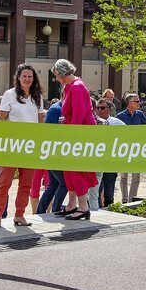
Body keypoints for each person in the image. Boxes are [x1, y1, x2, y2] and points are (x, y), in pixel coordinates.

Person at [0, 63, 44, 228]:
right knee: (4, 182)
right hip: (12, 146)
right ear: (18, 78)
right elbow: (2, 118)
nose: (27, 79)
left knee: (26, 184)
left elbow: (40, 120)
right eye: (24, 76)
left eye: (30, 76)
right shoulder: (9, 94)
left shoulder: (38, 97)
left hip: (29, 147)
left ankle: (19, 214)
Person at [51, 59, 98, 220]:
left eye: (56, 75)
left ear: (63, 73)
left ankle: (83, 207)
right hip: (74, 131)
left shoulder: (77, 87)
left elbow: (79, 114)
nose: (56, 78)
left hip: (79, 134)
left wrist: (72, 133)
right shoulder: (70, 87)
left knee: (77, 168)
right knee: (69, 169)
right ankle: (72, 204)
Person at [37, 98, 69, 214]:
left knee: (54, 184)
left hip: (61, 153)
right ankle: (56, 209)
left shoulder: (66, 109)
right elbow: (48, 131)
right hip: (53, 153)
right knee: (65, 183)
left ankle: (40, 210)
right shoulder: (56, 109)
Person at [116, 93, 146, 203]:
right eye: (137, 101)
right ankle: (125, 199)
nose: (139, 103)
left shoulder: (140, 114)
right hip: (124, 149)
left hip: (137, 149)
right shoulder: (120, 116)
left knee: (136, 176)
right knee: (124, 176)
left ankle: (132, 198)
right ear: (130, 103)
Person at [93, 99, 124, 207]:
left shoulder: (117, 123)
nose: (99, 110)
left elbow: (127, 136)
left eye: (102, 108)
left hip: (111, 162)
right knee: (96, 190)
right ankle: (97, 211)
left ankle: (110, 211)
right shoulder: (93, 122)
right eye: (97, 108)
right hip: (97, 162)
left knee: (109, 192)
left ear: (109, 110)